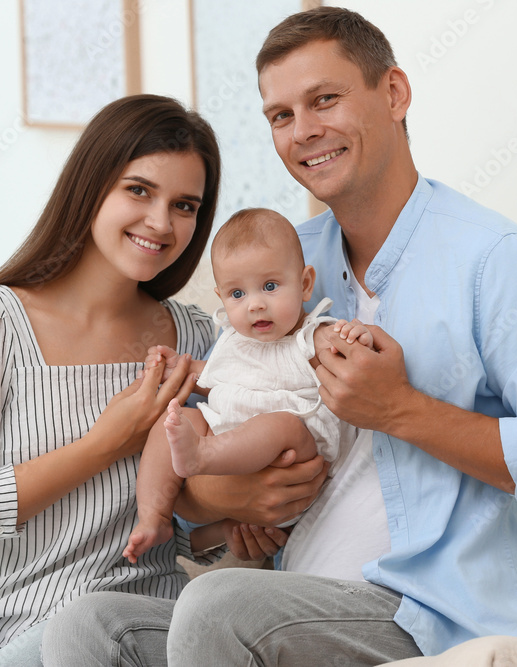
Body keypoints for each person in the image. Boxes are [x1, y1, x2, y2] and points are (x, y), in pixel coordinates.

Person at [162, 6, 517, 664]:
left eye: (324, 99)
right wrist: (230, 499)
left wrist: (402, 409)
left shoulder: (496, 259)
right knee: (91, 625)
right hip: (291, 596)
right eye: (281, 115)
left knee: (217, 607)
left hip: (432, 614)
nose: (304, 131)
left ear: (394, 93)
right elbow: (196, 479)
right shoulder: (283, 266)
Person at [0, 94, 259, 666]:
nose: (161, 222)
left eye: (185, 205)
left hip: (113, 610)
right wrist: (105, 443)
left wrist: (234, 519)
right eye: (139, 190)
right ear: (90, 186)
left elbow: (182, 523)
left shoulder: (197, 340)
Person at [122, 207, 373, 564]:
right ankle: (154, 516)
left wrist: (356, 335)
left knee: (282, 423)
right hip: (237, 468)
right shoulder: (233, 341)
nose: (255, 304)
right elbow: (216, 376)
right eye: (237, 294)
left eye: (270, 287)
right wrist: (179, 367)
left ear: (304, 284)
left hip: (296, 461)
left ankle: (203, 455)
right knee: (177, 422)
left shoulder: (311, 337)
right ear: (221, 297)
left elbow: (350, 351)